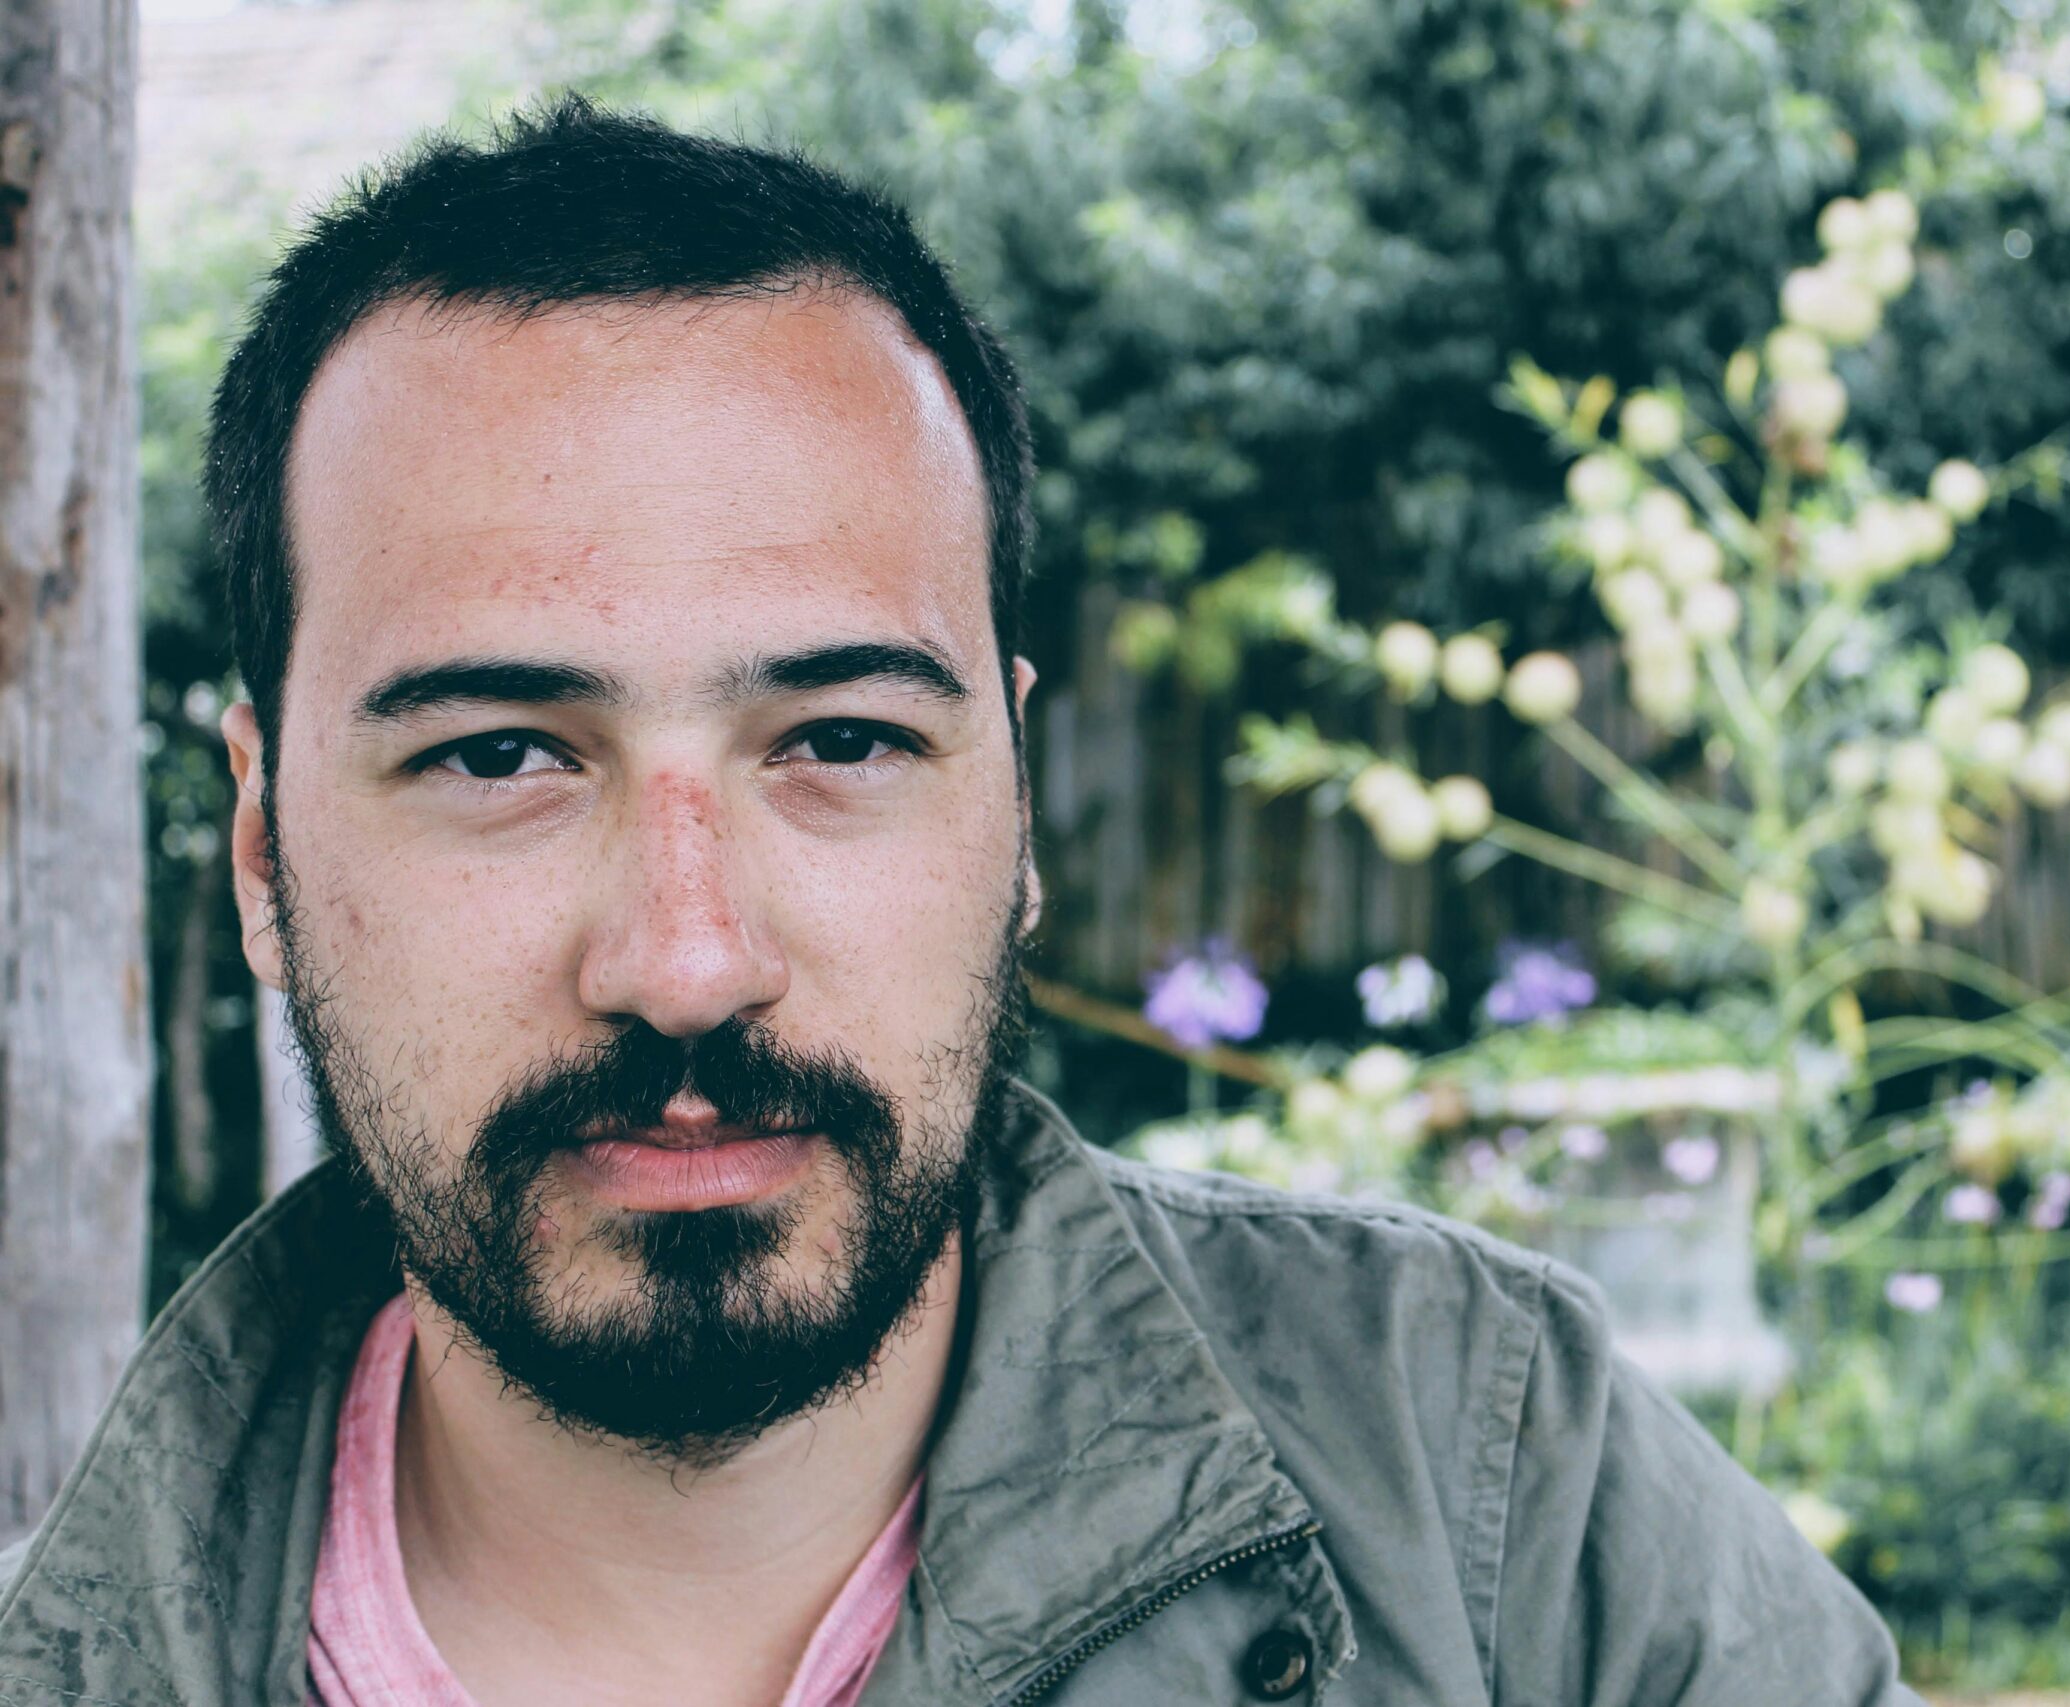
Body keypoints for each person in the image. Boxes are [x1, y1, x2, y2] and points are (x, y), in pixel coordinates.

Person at [0, 99, 1923, 1706]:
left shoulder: (1502, 1509)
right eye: (504, 757)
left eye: (836, 737)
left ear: (1012, 816)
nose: (686, 960)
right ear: (261, 854)